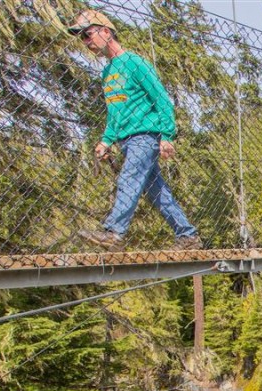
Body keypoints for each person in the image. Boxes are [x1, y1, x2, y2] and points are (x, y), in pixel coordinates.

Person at [68, 10, 200, 250]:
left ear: (105, 31)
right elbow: (114, 112)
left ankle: (114, 232)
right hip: (125, 140)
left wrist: (167, 136)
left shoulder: (135, 62)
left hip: (145, 136)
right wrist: (106, 141)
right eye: (82, 38)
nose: (86, 42)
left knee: (129, 179)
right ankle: (187, 235)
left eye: (88, 35)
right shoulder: (107, 72)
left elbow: (161, 99)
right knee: (155, 191)